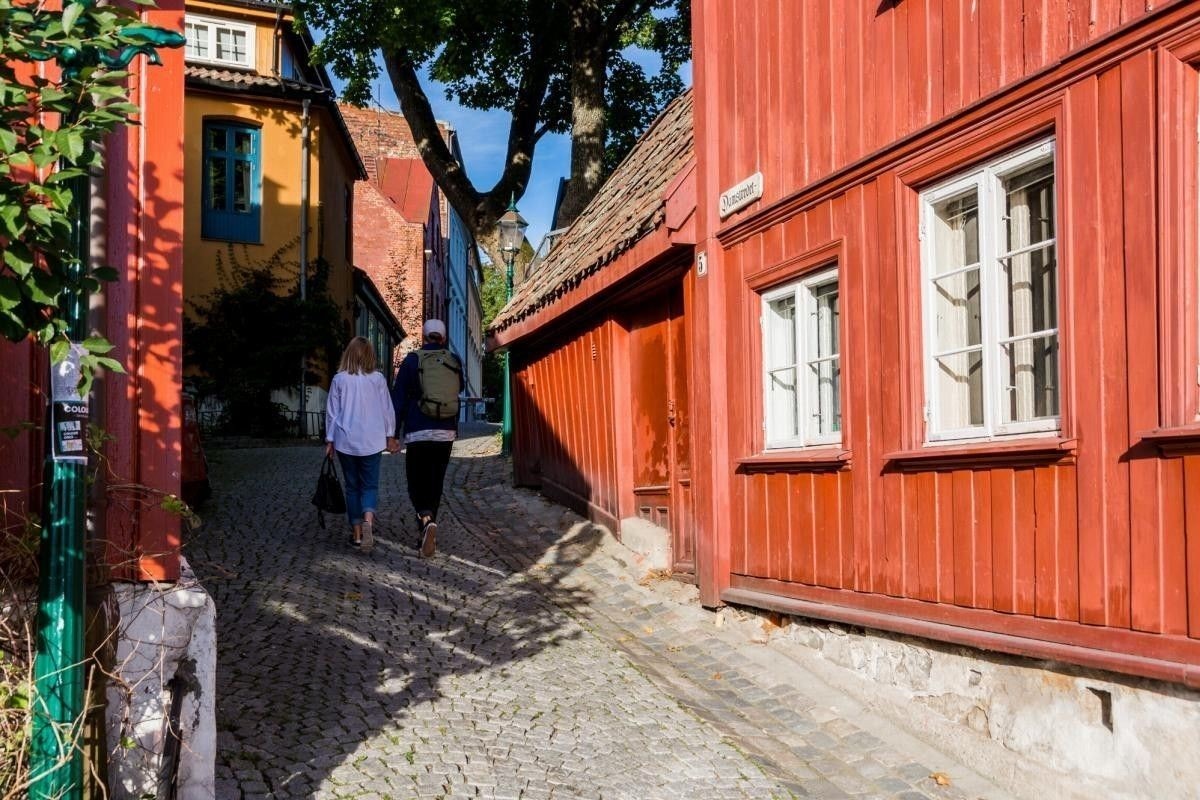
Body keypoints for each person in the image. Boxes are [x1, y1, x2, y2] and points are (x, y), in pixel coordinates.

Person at [392, 319, 462, 557]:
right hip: (446, 431)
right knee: (436, 480)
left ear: (424, 337)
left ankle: (425, 518)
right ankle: (429, 523)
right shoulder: (454, 360)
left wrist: (393, 433)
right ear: (442, 339)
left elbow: (398, 399)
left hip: (418, 429)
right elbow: (457, 390)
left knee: (415, 480)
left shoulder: (412, 360)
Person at [325, 337, 397, 550]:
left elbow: (332, 413)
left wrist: (329, 440)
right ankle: (368, 520)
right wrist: (389, 435)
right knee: (370, 485)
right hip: (372, 440)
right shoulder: (378, 379)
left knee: (352, 486)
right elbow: (387, 409)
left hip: (345, 439)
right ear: (369, 356)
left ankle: (357, 534)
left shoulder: (339, 379)